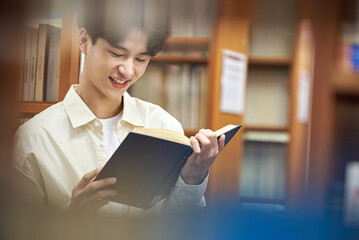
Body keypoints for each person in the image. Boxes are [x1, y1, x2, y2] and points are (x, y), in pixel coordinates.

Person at [13, 0, 225, 215]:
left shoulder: (164, 126)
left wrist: (192, 180)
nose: (128, 70)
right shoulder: (35, 138)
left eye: (141, 59)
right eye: (116, 54)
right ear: (84, 41)